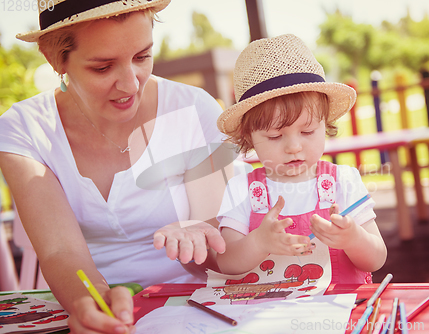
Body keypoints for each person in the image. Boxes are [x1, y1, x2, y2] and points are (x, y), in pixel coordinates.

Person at [0, 1, 232, 333]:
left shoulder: (195, 110)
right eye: (103, 67)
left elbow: (215, 242)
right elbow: (60, 251)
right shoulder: (24, 130)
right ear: (55, 59)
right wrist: (97, 306)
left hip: (196, 306)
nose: (131, 84)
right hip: (86, 304)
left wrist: (201, 237)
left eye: (142, 57)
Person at [215, 34, 387, 284]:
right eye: (275, 136)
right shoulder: (242, 189)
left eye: (307, 132)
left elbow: (377, 258)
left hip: (343, 309)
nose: (294, 147)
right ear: (249, 136)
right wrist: (258, 242)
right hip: (270, 313)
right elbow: (226, 263)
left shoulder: (343, 181)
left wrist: (353, 239)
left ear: (324, 123)